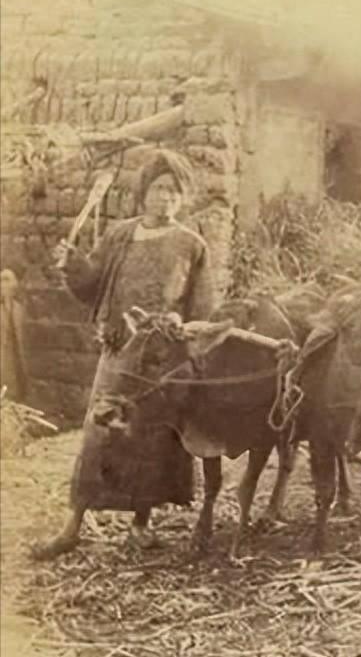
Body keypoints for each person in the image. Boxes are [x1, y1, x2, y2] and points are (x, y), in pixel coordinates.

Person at [32, 149, 214, 560]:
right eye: (159, 189)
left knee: (150, 440)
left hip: (158, 362)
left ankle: (140, 526)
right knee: (100, 433)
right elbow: (90, 283)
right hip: (118, 352)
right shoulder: (120, 235)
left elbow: (201, 310)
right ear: (143, 193)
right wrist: (71, 264)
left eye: (174, 192)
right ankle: (72, 526)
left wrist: (180, 324)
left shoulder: (192, 245)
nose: (166, 198)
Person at [0, 269, 29, 405]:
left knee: (12, 399)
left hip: (14, 363)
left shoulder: (19, 309)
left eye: (7, 280)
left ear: (15, 284)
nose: (2, 284)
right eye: (1, 280)